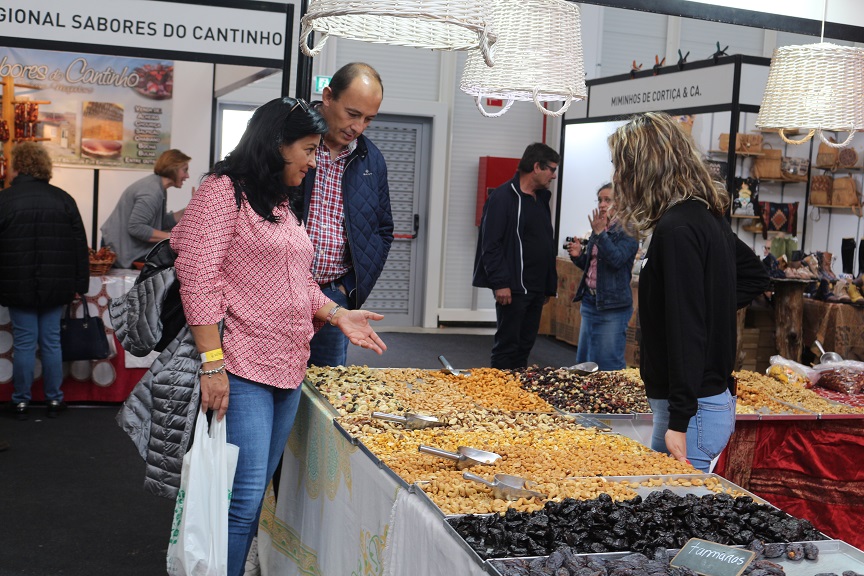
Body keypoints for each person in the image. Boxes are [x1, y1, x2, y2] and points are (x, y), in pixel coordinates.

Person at [169, 96, 387, 576]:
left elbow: (298, 280)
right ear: (276, 145)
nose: (313, 162)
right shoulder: (222, 191)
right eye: (308, 150)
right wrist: (213, 365)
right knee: (242, 497)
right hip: (241, 366)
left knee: (254, 495)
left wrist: (336, 313)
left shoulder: (278, 202)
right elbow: (199, 276)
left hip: (288, 366)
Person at [607, 112, 768, 472]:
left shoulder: (678, 228)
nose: (618, 178)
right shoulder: (700, 217)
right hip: (694, 404)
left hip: (691, 411)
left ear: (645, 169)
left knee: (675, 518)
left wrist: (679, 419)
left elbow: (686, 328)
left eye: (622, 167)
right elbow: (741, 281)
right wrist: (710, 308)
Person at [304, 62, 394, 367]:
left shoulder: (372, 160)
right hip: (278, 291)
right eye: (353, 114)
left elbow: (383, 230)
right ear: (328, 96)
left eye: (368, 119)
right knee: (269, 381)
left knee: (325, 389)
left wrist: (350, 287)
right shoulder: (291, 140)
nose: (358, 126)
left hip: (334, 296)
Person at [0, 142, 89, 419]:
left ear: (17, 167)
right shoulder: (63, 199)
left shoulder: (5, 199)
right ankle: (54, 400)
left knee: (25, 342)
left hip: (17, 284)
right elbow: (79, 246)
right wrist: (80, 284)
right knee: (51, 341)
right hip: (57, 285)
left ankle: (21, 401)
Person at [473, 143, 559, 369]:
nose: (554, 175)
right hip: (513, 288)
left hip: (536, 288)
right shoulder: (503, 197)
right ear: (537, 166)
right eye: (551, 169)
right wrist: (500, 282)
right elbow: (490, 245)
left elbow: (544, 242)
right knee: (507, 346)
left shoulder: (541, 199)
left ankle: (517, 395)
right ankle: (499, 397)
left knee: (525, 346)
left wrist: (548, 285)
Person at [567, 183, 639, 371]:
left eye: (608, 200)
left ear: (621, 202)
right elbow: (593, 268)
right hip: (591, 302)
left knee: (607, 365)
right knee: (584, 362)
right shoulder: (600, 227)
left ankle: (610, 400)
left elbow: (616, 260)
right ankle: (585, 400)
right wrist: (578, 257)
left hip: (612, 307)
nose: (602, 204)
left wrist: (600, 234)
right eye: (600, 200)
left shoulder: (629, 230)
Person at [101, 148, 191, 268]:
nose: (187, 176)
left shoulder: (158, 187)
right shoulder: (152, 191)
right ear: (173, 169)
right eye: (184, 170)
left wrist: (188, 210)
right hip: (117, 249)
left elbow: (159, 223)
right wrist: (172, 238)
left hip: (124, 248)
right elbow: (136, 227)